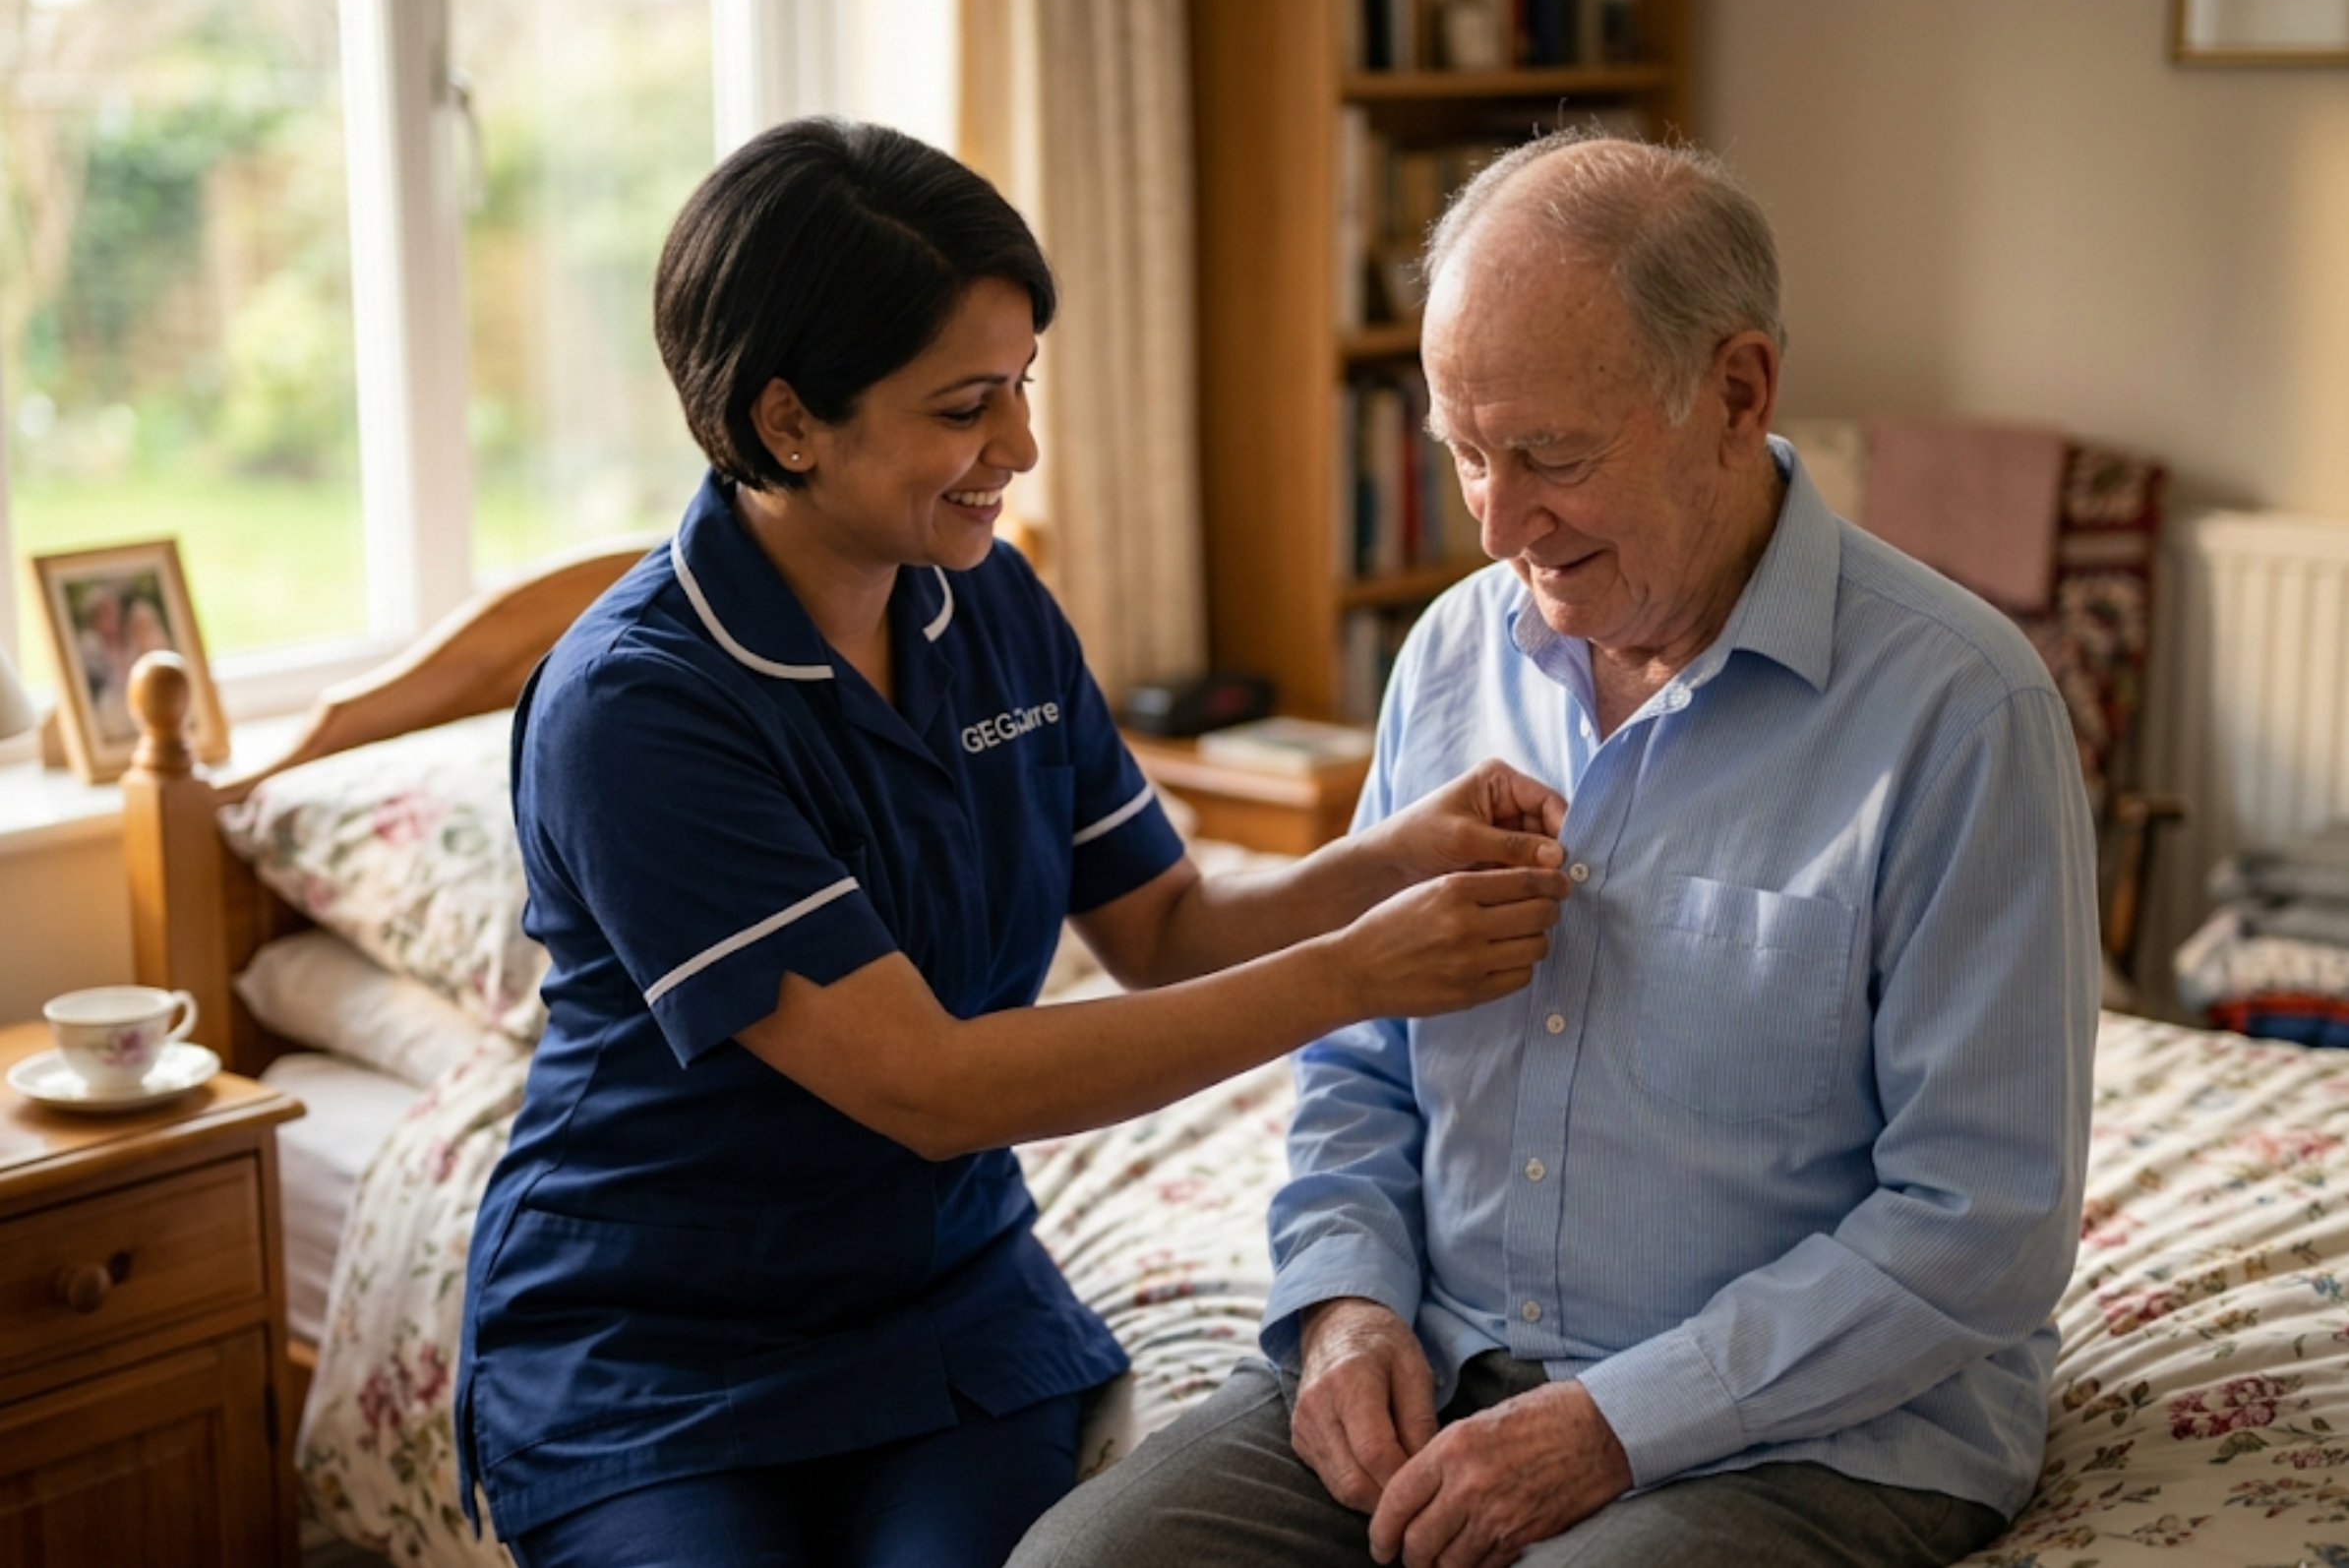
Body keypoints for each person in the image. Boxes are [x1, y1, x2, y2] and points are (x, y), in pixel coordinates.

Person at [453, 116, 1578, 1568]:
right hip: (658, 1340)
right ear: (788, 421)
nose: (1022, 449)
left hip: (941, 1306)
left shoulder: (982, 603)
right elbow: (930, 1087)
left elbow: (1166, 929)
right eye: (966, 406)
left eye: (1022, 386)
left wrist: (1392, 858)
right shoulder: (638, 709)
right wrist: (1359, 974)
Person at [1009, 132, 2101, 1568]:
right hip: (1441, 1360)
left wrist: (1613, 1422)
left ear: (1738, 390)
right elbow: (1359, 1064)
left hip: (1811, 1434)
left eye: (1552, 457)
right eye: (1464, 453)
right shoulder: (1454, 653)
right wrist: (1345, 1311)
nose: (1499, 520)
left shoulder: (1962, 712)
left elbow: (1983, 1221)